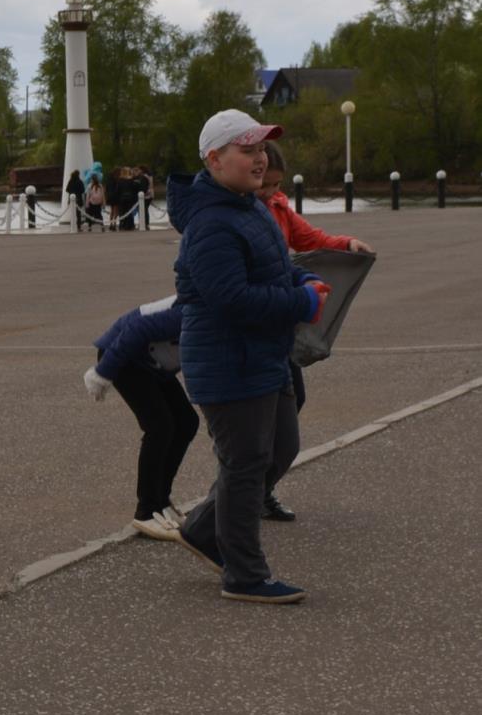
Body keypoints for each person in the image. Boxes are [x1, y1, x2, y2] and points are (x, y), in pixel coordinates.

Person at [167, 109, 330, 605]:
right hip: (228, 361)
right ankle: (244, 575)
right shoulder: (213, 222)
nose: (260, 159)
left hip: (263, 355)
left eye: (262, 149)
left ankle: (201, 528)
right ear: (214, 159)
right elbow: (231, 299)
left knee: (279, 449)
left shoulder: (248, 205)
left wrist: (300, 280)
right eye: (248, 150)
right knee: (245, 464)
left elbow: (272, 265)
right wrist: (302, 302)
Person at [256, 139, 375, 522]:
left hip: (279, 327)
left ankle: (259, 490)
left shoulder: (277, 207)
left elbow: (311, 240)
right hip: (253, 328)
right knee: (254, 422)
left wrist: (345, 244)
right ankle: (237, 501)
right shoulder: (236, 214)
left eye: (276, 184)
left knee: (293, 403)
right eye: (265, 184)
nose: (271, 191)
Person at [83, 295, 198, 541]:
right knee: (160, 427)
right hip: (123, 354)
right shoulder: (192, 311)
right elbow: (138, 328)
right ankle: (146, 511)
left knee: (187, 422)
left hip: (154, 361)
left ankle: (161, 501)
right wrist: (103, 374)